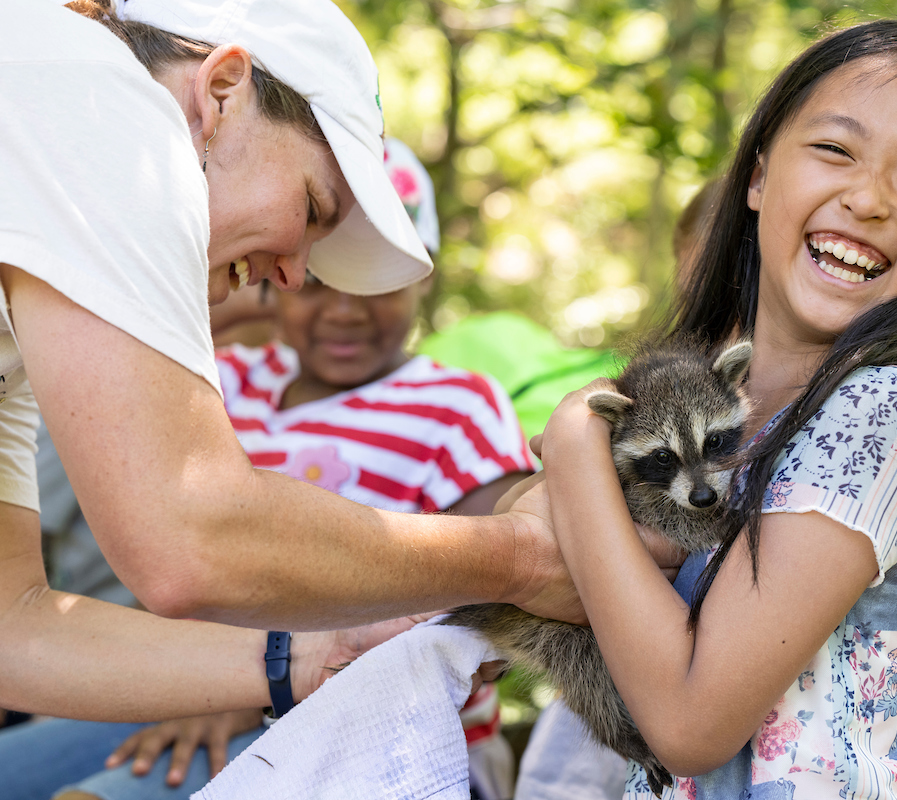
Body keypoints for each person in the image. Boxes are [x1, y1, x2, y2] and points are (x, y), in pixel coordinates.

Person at [0, 0, 602, 732]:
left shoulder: (22, 306)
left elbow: (17, 630)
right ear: (222, 90)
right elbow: (187, 539)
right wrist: (522, 558)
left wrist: (309, 659)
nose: (290, 277)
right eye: (313, 207)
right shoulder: (101, 94)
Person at [538, 19, 897, 799]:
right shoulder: (725, 404)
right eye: (835, 150)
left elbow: (691, 726)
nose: (866, 198)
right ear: (757, 178)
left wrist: (572, 449)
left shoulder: (878, 409)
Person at [0, 138, 526, 800]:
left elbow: (492, 595)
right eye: (322, 282)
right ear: (281, 278)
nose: (344, 309)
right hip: (192, 690)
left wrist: (252, 688)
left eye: (380, 285)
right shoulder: (227, 380)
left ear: (424, 279)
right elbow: (165, 552)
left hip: (372, 720)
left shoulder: (456, 406)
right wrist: (201, 678)